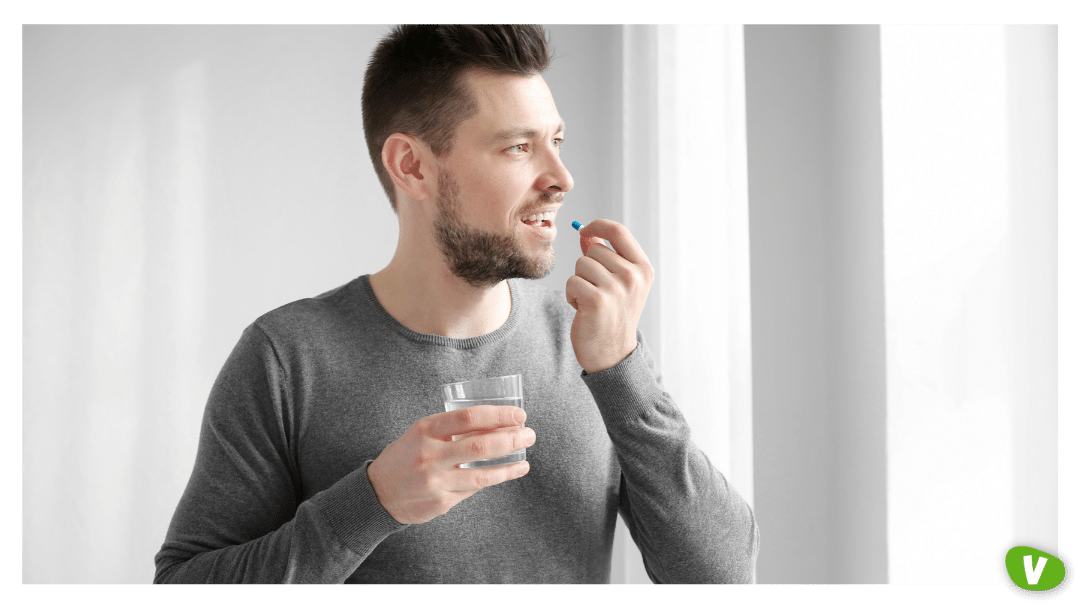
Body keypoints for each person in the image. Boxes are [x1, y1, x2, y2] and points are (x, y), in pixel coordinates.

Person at [154, 24, 759, 585]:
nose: (561, 178)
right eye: (519, 148)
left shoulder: (594, 348)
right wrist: (372, 503)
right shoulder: (287, 359)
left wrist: (622, 369)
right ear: (411, 165)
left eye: (556, 141)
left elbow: (722, 579)